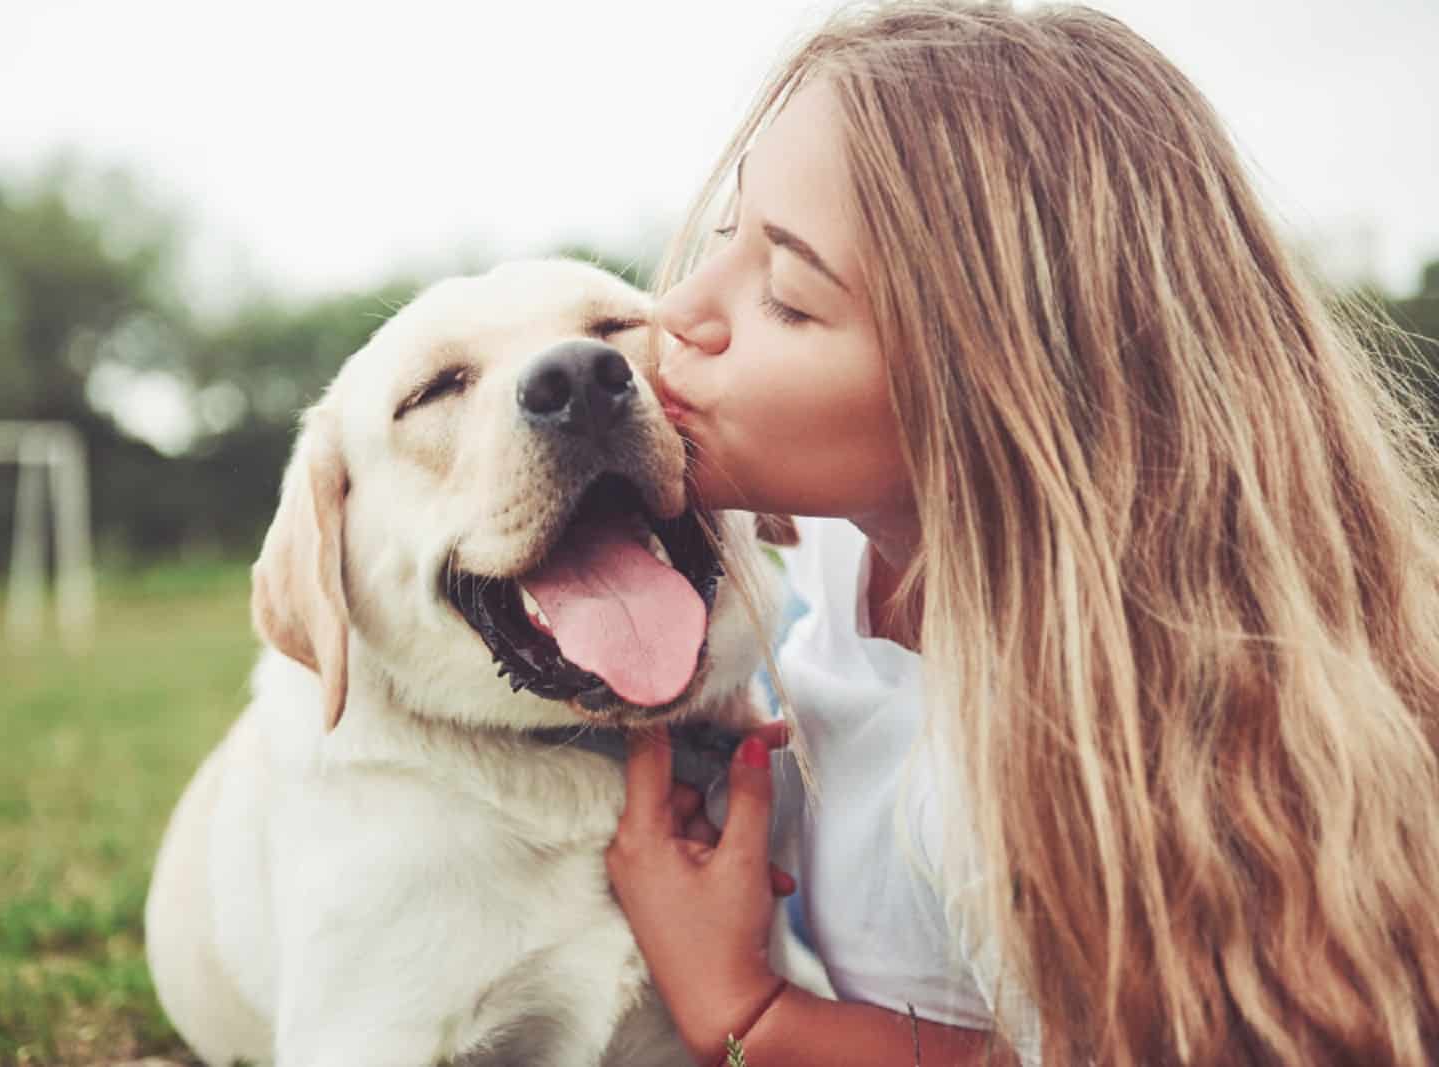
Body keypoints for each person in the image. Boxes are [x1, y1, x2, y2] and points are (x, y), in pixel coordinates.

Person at [602, 2, 1439, 1065]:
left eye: (787, 298)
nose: (678, 310)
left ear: (991, 396)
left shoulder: (1083, 758)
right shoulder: (852, 536)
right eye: (729, 234)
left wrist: (751, 1010)